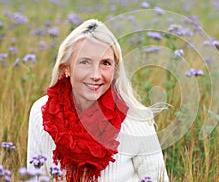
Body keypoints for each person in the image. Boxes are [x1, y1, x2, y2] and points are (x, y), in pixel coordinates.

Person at [27, 19, 169, 182]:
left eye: (105, 63)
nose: (96, 75)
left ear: (115, 70)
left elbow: (159, 179)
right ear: (66, 67)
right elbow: (35, 177)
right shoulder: (42, 112)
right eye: (85, 62)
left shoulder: (136, 120)